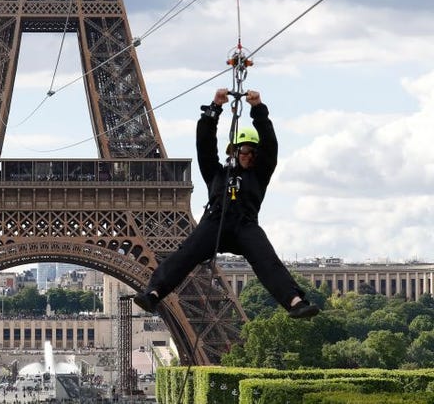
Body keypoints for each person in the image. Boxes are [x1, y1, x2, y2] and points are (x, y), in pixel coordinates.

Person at [134, 88, 319, 319]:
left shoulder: (260, 174)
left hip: (245, 225)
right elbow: (205, 145)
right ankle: (153, 292)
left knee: (267, 261)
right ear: (234, 150)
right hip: (215, 221)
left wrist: (258, 109)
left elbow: (271, 146)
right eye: (244, 149)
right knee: (185, 255)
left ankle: (295, 301)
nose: (248, 155)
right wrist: (214, 109)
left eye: (253, 152)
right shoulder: (216, 173)